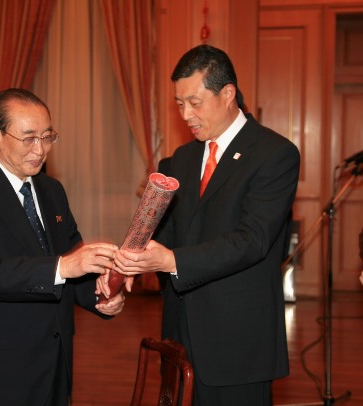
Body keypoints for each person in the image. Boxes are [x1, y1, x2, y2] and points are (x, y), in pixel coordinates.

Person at [111, 45, 301, 405]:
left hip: (237, 341)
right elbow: (161, 235)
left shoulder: (274, 154)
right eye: (179, 103)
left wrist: (171, 261)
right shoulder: (179, 160)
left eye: (194, 102)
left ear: (227, 94)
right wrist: (126, 267)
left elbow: (253, 240)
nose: (185, 114)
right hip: (180, 335)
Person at [0, 88, 125, 405]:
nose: (40, 150)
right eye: (28, 139)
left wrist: (102, 295)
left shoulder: (52, 190)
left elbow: (73, 260)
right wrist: (63, 266)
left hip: (55, 360)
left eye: (47, 137)